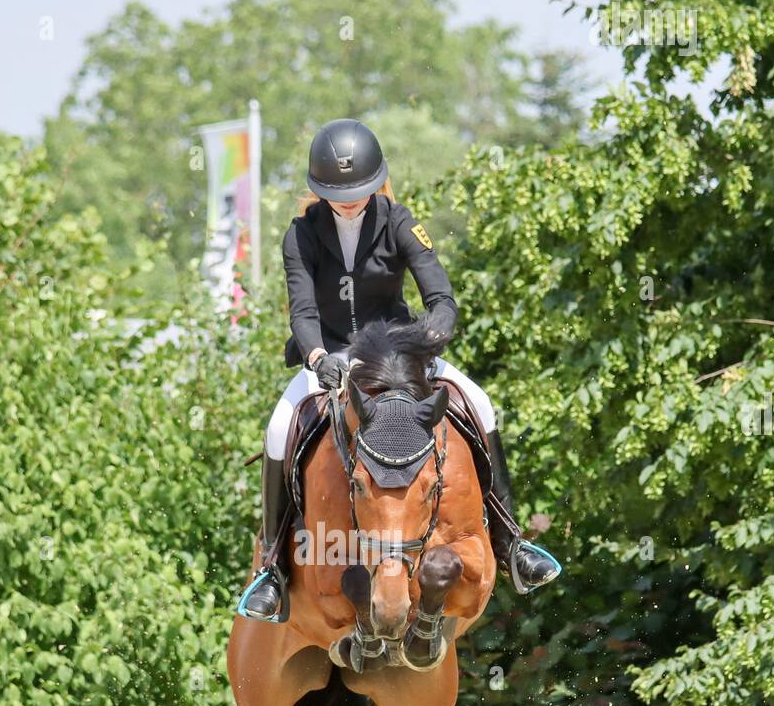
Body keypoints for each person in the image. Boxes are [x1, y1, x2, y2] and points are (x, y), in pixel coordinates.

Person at [238, 118, 561, 620]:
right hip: (333, 357)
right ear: (319, 189)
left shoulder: (399, 221)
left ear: (376, 182)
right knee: (280, 428)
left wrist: (432, 334)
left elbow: (440, 296)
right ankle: (275, 571)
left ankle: (512, 541)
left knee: (479, 401)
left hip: (396, 351)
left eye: (360, 190)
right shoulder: (300, 236)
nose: (350, 201)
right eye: (338, 193)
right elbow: (301, 313)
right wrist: (318, 357)